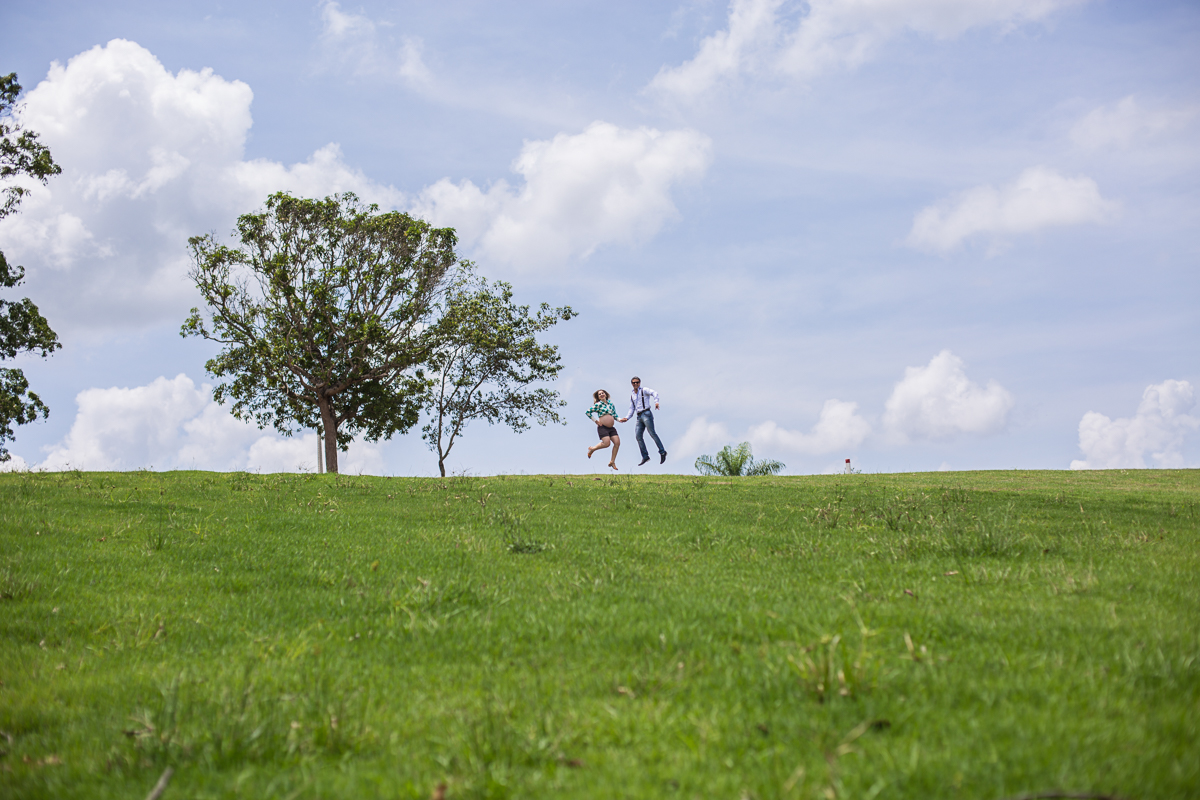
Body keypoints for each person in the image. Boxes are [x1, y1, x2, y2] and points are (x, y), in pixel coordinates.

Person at [618, 376, 667, 466]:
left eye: (637, 382)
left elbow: (654, 392)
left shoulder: (644, 390)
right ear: (631, 384)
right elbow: (631, 408)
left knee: (652, 433)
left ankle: (662, 452)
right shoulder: (632, 395)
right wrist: (627, 418)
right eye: (634, 383)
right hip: (639, 416)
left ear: (639, 383)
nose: (635, 384)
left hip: (646, 414)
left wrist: (656, 402)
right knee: (638, 436)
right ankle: (645, 456)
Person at [585, 389, 621, 470]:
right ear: (598, 397)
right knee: (606, 443)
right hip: (603, 427)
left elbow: (615, 415)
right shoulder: (598, 404)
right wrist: (596, 421)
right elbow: (587, 412)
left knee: (617, 443)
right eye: (599, 394)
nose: (601, 394)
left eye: (602, 393)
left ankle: (612, 461)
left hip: (611, 428)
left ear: (605, 394)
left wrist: (620, 420)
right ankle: (592, 449)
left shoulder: (611, 404)